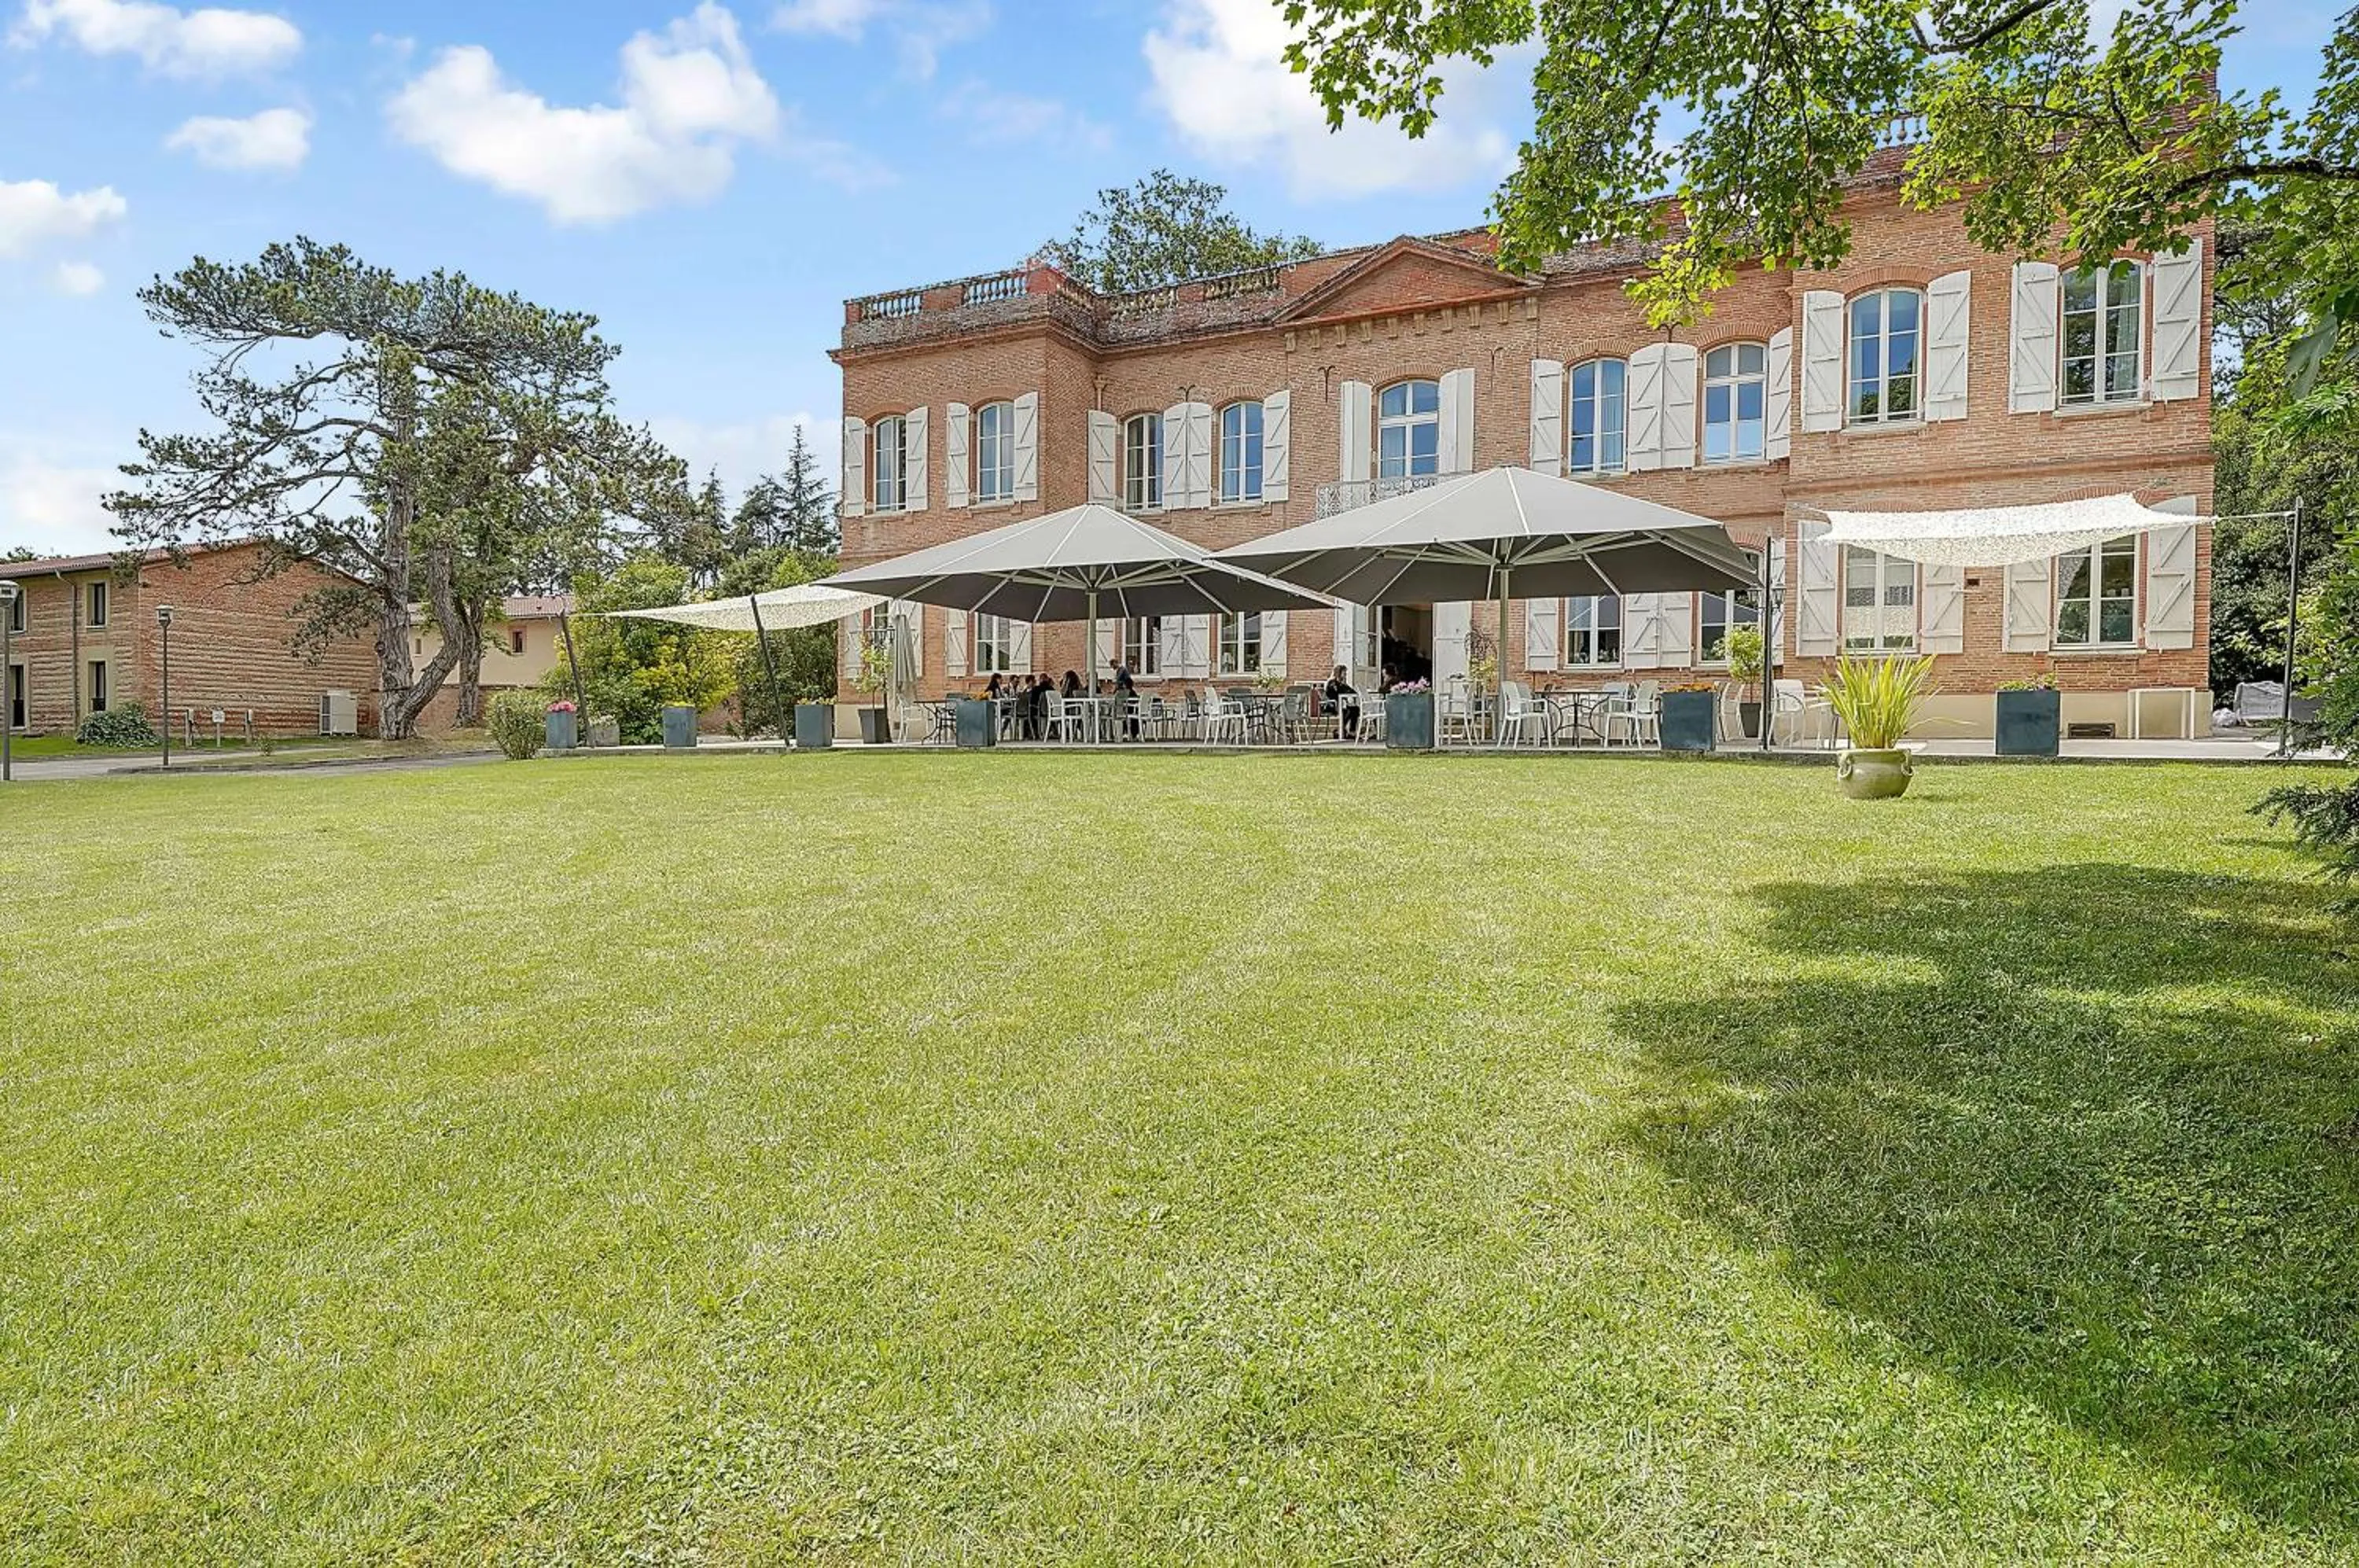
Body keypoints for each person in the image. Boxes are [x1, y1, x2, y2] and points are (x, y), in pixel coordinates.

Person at [1326, 664, 1361, 740]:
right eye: (1344, 673)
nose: (1345, 675)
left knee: (1355, 709)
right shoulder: (1332, 683)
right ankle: (1340, 730)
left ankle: (1351, 731)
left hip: (1342, 704)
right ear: (1339, 673)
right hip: (1332, 705)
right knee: (1349, 710)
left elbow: (1353, 692)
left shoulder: (1342, 684)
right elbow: (1335, 694)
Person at [1110, 659, 1139, 739]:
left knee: (1123, 713)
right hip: (1130, 710)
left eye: (1112, 666)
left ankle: (1125, 732)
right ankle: (1128, 732)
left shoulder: (1122, 670)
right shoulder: (1132, 692)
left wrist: (1115, 690)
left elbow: (1118, 681)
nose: (1112, 668)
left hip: (1127, 710)